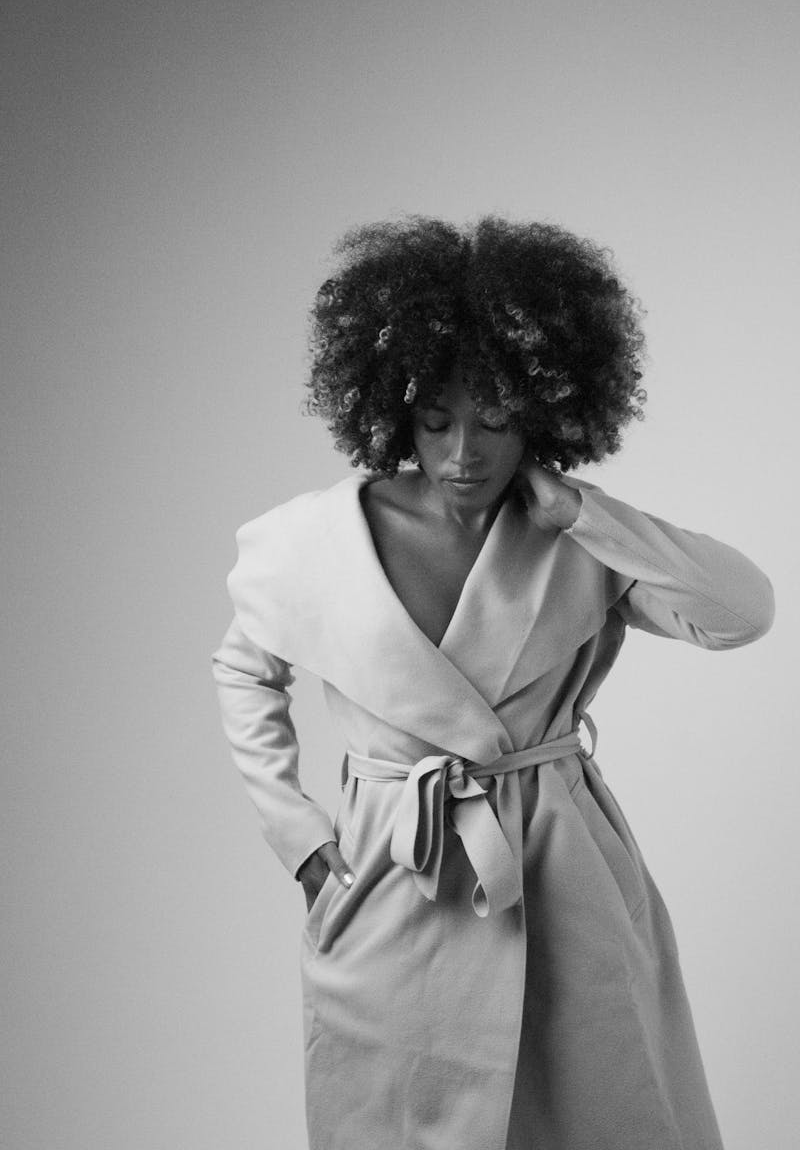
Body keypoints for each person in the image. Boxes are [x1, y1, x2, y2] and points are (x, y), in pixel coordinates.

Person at [211, 215, 775, 1150]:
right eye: (436, 420)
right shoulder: (310, 542)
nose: (462, 452)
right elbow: (243, 666)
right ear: (397, 411)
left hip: (564, 865)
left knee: (602, 1109)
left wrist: (589, 510)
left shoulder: (581, 543)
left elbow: (741, 611)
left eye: (495, 421)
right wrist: (303, 840)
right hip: (399, 868)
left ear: (544, 416)